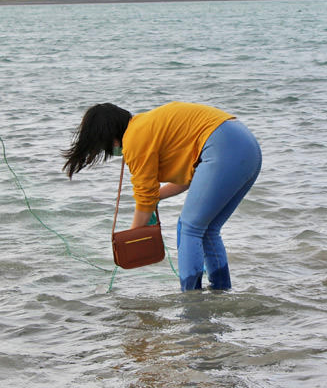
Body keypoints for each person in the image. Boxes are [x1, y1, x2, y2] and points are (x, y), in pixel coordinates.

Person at [62, 102, 261, 291]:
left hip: (224, 146)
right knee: (208, 229)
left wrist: (132, 240)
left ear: (108, 136)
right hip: (246, 145)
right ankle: (221, 291)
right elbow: (188, 180)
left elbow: (144, 196)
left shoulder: (134, 137)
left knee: (190, 228)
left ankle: (191, 300)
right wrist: (154, 199)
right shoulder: (147, 126)